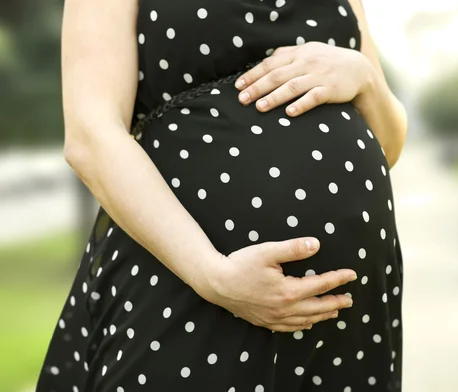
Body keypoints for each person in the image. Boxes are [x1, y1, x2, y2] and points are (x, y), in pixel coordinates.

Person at [36, 0, 408, 391]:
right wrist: (213, 275)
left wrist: (365, 78)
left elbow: (391, 145)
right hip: (189, 282)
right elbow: (90, 135)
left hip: (347, 315)